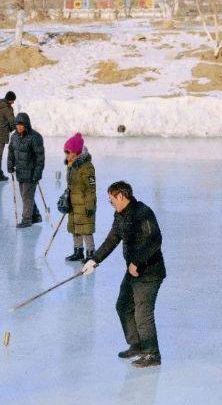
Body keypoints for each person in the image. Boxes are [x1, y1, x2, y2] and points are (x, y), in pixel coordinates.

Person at [82, 181, 166, 368]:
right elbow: (112, 239)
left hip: (150, 271)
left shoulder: (142, 213)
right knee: (123, 306)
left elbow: (155, 240)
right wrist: (94, 260)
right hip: (134, 272)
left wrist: (137, 261)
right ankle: (137, 345)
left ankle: (152, 354)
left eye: (111, 200)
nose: (111, 203)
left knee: (143, 312)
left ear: (120, 196)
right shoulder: (120, 215)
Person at [62, 133, 97, 262]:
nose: (66, 155)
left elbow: (91, 189)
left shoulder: (87, 167)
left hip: (84, 203)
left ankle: (90, 253)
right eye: (66, 152)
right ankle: (78, 251)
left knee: (86, 229)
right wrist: (66, 197)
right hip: (74, 202)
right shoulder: (71, 165)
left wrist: (90, 205)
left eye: (68, 152)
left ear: (76, 152)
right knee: (75, 228)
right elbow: (71, 185)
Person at [7, 113, 44, 228]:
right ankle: (36, 216)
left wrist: (38, 172)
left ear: (26, 124)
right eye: (17, 124)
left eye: (21, 124)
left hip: (31, 172)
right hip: (20, 172)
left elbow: (40, 157)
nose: (19, 127)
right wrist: (10, 164)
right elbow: (11, 152)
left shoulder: (35, 137)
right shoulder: (14, 137)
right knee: (26, 196)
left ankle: (27, 219)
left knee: (27, 196)